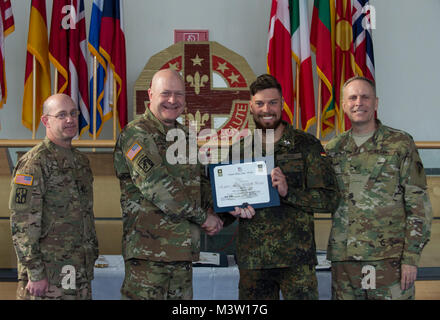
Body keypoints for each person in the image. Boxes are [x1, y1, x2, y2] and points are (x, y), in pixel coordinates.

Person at [113, 69, 223, 300]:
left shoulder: (185, 135)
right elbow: (157, 186)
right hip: (148, 254)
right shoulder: (136, 134)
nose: (173, 100)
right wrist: (204, 218)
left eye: (179, 94)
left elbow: (200, 183)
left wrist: (225, 205)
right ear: (150, 94)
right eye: (166, 93)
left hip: (182, 252)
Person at [228, 74, 340, 300]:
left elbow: (329, 200)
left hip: (296, 261)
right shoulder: (239, 150)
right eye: (259, 103)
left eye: (273, 102)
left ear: (282, 104)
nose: (266, 109)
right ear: (251, 106)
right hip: (254, 261)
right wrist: (228, 209)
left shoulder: (307, 145)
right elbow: (228, 202)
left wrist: (289, 192)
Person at [324, 76, 433, 300]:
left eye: (365, 97)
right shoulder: (334, 149)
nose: (358, 102)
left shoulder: (400, 144)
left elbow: (418, 205)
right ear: (344, 105)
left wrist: (411, 258)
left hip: (387, 261)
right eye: (352, 98)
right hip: (344, 262)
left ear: (376, 103)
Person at [9, 94, 99, 300]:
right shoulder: (33, 164)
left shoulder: (81, 162)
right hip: (48, 276)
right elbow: (22, 224)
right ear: (45, 121)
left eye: (73, 113)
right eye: (61, 115)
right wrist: (35, 272)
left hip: (78, 270)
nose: (70, 120)